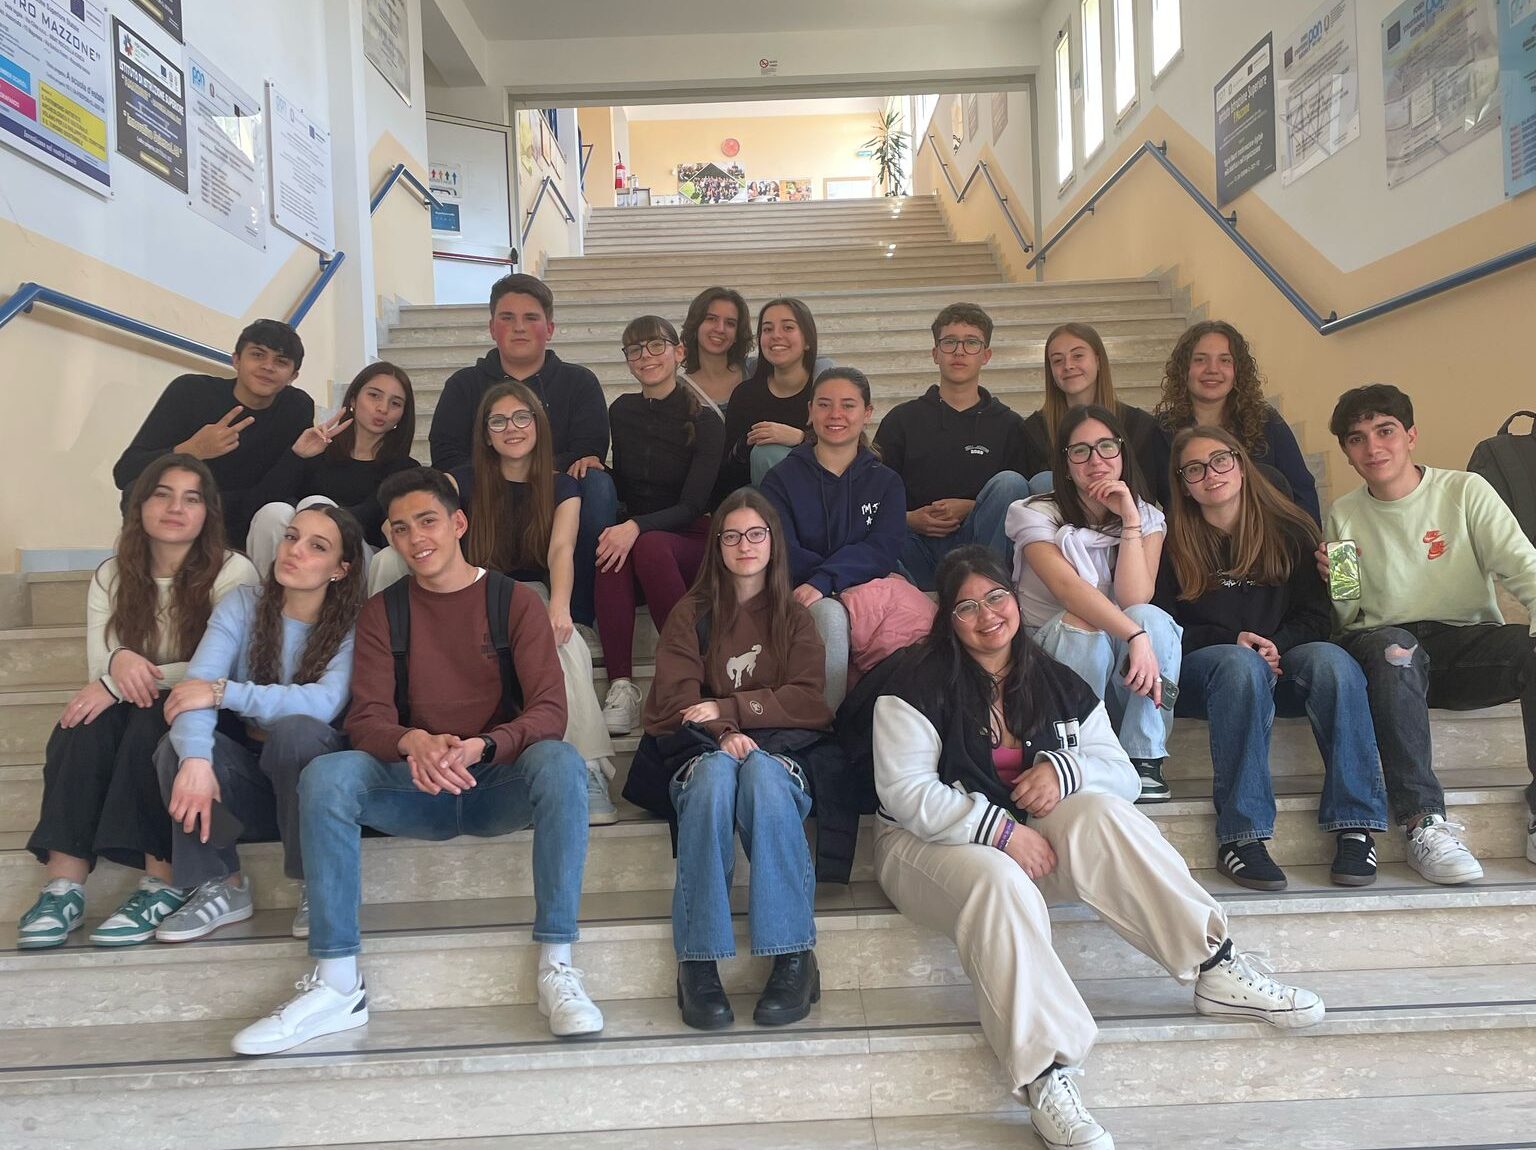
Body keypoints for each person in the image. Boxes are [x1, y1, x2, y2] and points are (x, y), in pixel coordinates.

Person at [861, 545, 1324, 1150]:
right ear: (947, 619)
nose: (987, 615)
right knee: (996, 880)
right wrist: (1001, 832)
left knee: (1102, 812)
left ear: (1015, 600)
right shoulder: (913, 683)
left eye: (996, 597)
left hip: (1031, 842)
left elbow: (1122, 775)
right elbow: (906, 794)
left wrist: (1065, 770)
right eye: (966, 607)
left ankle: (1213, 965)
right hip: (923, 848)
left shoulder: (1057, 681)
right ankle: (1046, 1075)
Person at [231, 467, 602, 1055]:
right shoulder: (383, 611)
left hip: (494, 784)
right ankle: (337, 983)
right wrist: (413, 742)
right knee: (327, 774)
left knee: (560, 762)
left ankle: (557, 965)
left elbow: (549, 712)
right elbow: (366, 719)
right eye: (400, 529)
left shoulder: (514, 601)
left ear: (459, 524)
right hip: (413, 787)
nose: (415, 538)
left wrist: (484, 746)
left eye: (427, 521)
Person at [19, 456, 259, 948]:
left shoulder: (233, 571)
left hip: (213, 714)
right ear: (140, 505)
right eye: (162, 494)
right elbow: (98, 666)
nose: (176, 508)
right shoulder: (113, 574)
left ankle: (163, 880)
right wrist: (115, 665)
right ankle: (64, 885)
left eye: (191, 499)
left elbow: (221, 669)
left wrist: (122, 673)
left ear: (208, 512)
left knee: (151, 719)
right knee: (80, 722)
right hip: (135, 705)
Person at [633, 491, 835, 1030]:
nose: (745, 545)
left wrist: (730, 709)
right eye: (732, 536)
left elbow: (808, 699)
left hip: (778, 750)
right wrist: (723, 734)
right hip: (702, 750)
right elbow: (675, 699)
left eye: (756, 534)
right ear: (717, 546)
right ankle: (699, 962)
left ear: (773, 542)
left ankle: (793, 956)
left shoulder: (795, 617)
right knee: (715, 779)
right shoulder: (691, 613)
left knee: (764, 777)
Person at [1157, 427, 1389, 889]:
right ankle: (1241, 837)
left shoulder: (1290, 529)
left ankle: (1356, 826)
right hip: (1208, 673)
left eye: (1220, 460)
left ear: (1241, 465)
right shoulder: (1168, 539)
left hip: (1283, 662)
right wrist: (1232, 641)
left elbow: (1317, 615)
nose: (1211, 474)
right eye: (1194, 469)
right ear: (1182, 484)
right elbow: (1161, 625)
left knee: (1334, 663)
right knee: (1239, 665)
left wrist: (1276, 644)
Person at [1322, 384, 1536, 882]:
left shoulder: (1465, 491)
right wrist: (1337, 581)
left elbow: (1522, 566)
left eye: (1385, 431)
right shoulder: (1342, 514)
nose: (1373, 447)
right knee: (1394, 649)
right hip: (1389, 653)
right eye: (1357, 439)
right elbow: (1348, 617)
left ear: (1411, 435)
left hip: (1466, 646)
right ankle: (1424, 823)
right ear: (1347, 453)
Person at [153, 506, 364, 941]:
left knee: (297, 731)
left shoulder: (354, 624)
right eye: (291, 537)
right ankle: (222, 884)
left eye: (317, 547)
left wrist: (223, 692)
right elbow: (194, 689)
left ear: (340, 570)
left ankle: (317, 884)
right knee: (178, 747)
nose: (295, 551)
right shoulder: (243, 603)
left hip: (314, 784)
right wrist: (196, 760)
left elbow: (323, 703)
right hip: (249, 781)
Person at [452, 381, 618, 823]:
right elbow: (416, 508)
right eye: (498, 421)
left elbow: (561, 549)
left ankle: (588, 768)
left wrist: (560, 606)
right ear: (486, 434)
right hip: (472, 589)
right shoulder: (462, 481)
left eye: (521, 417)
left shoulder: (562, 486)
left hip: (531, 591)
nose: (512, 428)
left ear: (538, 425)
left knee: (567, 643)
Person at [1006, 405, 1181, 803]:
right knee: (1082, 621)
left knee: (1151, 617)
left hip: (1119, 666)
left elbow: (1135, 598)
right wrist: (1133, 636)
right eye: (1080, 451)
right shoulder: (1034, 513)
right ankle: (1076, 750)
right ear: (1066, 466)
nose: (1096, 460)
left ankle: (1143, 757)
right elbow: (1070, 591)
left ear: (1122, 453)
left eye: (1106, 446)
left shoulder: (1147, 517)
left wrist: (1130, 520)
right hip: (1050, 658)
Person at [426, 273, 615, 630]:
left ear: (550, 328)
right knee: (444, 490)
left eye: (531, 317)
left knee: (597, 484)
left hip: (553, 494)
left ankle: (578, 617)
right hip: (484, 496)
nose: (519, 327)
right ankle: (464, 602)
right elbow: (446, 455)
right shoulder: (464, 385)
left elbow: (588, 450)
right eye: (507, 317)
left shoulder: (579, 382)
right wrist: (502, 472)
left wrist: (529, 472)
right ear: (491, 328)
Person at [596, 316, 725, 735]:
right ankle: (621, 687)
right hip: (644, 538)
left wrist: (635, 526)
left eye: (656, 346)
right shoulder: (621, 411)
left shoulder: (707, 421)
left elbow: (692, 505)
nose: (645, 356)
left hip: (691, 539)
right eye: (635, 349)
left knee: (644, 544)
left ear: (679, 352)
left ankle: (685, 676)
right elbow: (628, 483)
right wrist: (595, 468)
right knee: (609, 550)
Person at [760, 367, 907, 709]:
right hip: (801, 593)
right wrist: (823, 583)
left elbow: (883, 549)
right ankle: (823, 725)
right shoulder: (781, 479)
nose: (835, 414)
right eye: (824, 405)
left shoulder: (886, 482)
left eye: (848, 405)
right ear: (810, 411)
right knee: (828, 614)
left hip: (868, 595)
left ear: (867, 413)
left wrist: (827, 578)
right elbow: (781, 547)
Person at [873, 303, 1037, 590]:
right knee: (881, 525)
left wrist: (972, 508)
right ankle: (921, 598)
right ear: (935, 353)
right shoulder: (902, 420)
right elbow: (872, 495)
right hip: (916, 546)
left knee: (1010, 484)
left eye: (971, 343)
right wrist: (909, 519)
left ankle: (986, 591)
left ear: (986, 355)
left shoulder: (1009, 425)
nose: (959, 351)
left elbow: (1020, 502)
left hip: (982, 549)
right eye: (949, 342)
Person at [114, 320, 314, 541]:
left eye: (281, 361)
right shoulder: (191, 391)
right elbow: (125, 473)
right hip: (189, 506)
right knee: (137, 491)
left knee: (283, 510)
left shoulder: (297, 407)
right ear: (236, 360)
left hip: (250, 511)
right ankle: (151, 562)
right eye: (257, 355)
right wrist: (192, 450)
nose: (268, 366)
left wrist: (298, 456)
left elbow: (286, 487)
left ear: (293, 376)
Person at [246, 361, 418, 572]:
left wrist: (312, 514)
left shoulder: (405, 469)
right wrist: (297, 456)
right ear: (353, 399)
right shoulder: (319, 447)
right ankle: (272, 591)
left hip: (355, 560)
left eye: (395, 403)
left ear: (402, 414)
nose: (382, 408)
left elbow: (370, 516)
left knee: (318, 505)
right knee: (273, 513)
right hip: (300, 549)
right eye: (374, 395)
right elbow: (262, 501)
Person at [1154, 320, 1320, 523]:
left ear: (1238, 371)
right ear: (1183, 369)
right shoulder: (1160, 430)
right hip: (1188, 541)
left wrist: (1304, 539)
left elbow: (1302, 492)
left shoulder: (1267, 422)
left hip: (1268, 538)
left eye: (1225, 360)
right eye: (1200, 360)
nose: (1212, 369)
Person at [1022, 322, 1170, 506]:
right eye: (1058, 360)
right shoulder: (1035, 429)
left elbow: (1147, 495)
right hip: (1058, 521)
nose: (1068, 365)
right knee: (1043, 481)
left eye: (1078, 356)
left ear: (1098, 361)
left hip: (1122, 518)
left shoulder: (1139, 426)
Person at [715, 298, 820, 495]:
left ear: (807, 340)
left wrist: (800, 438)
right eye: (767, 329)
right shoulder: (745, 395)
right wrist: (746, 446)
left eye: (788, 327)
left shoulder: (824, 393)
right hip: (759, 501)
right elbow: (726, 474)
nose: (776, 335)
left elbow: (847, 450)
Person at [680, 287, 753, 413]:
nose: (720, 329)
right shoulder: (678, 391)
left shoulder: (755, 371)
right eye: (711, 319)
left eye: (730, 323)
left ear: (737, 334)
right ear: (696, 325)